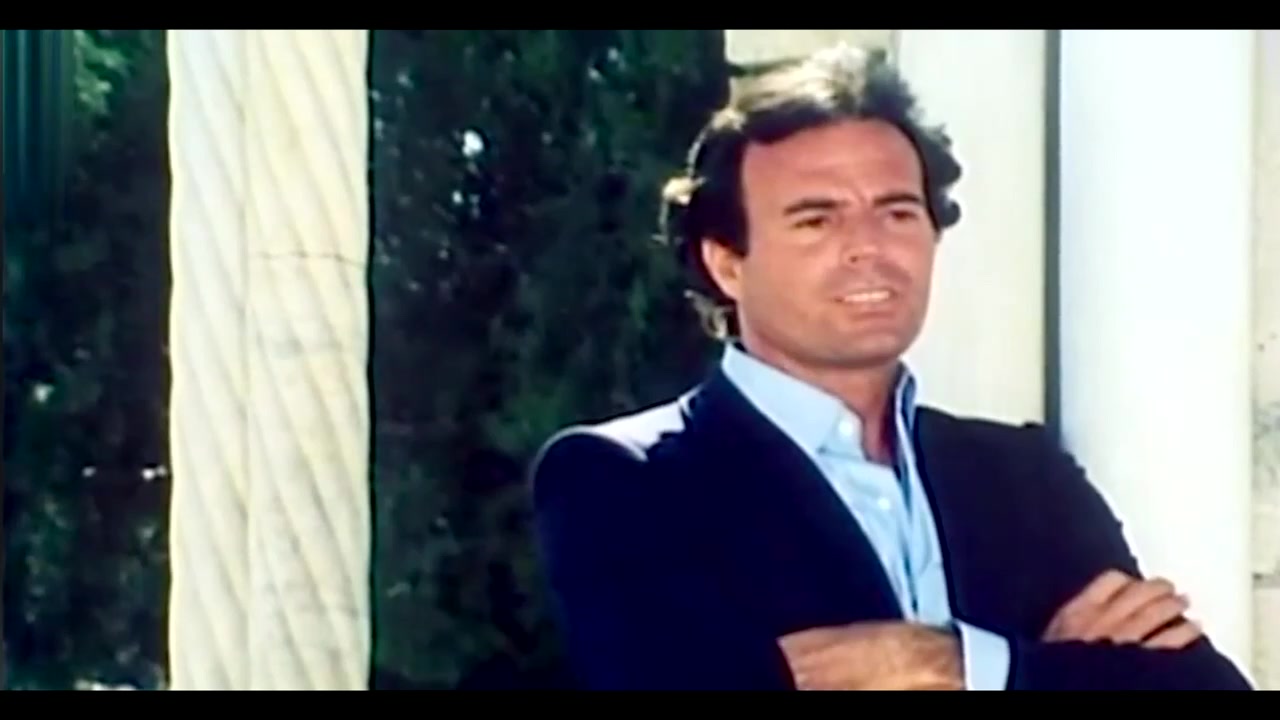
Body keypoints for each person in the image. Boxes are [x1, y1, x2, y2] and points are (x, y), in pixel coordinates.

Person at [526, 43, 1254, 691]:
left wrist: (954, 664)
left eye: (898, 212)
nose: (867, 247)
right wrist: (1051, 666)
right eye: (816, 219)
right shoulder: (628, 482)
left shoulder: (1021, 478)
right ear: (727, 263)